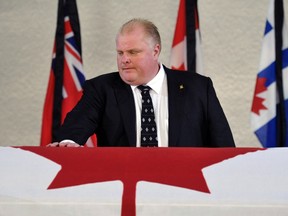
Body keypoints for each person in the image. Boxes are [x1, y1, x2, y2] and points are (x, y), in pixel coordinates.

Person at [47, 18, 235, 148]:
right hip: (124, 189)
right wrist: (69, 142)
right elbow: (73, 131)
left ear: (155, 51)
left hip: (185, 191)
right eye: (120, 53)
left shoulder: (198, 88)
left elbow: (224, 148)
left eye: (133, 52)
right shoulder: (102, 89)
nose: (124, 59)